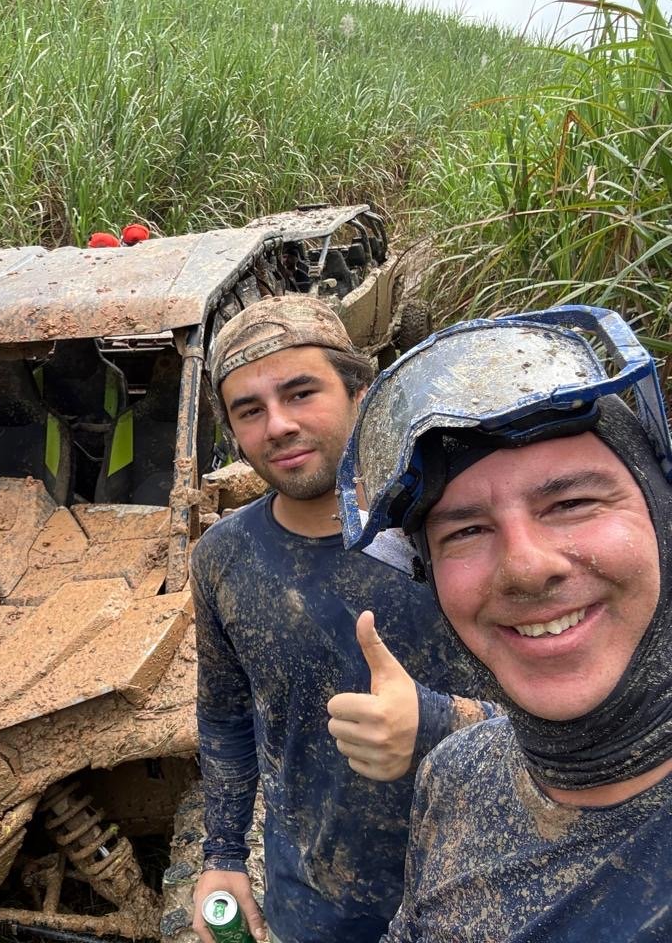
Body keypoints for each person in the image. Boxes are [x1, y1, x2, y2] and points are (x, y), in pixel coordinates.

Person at [339, 305, 671, 942]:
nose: (524, 567)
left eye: (572, 502)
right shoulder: (458, 775)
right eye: (465, 530)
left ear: (661, 515)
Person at [191, 295, 492, 943]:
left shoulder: (452, 530)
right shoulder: (222, 558)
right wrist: (222, 858)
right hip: (315, 906)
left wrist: (441, 721)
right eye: (250, 410)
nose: (277, 425)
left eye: (301, 394)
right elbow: (224, 715)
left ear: (360, 392)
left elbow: (577, 722)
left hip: (479, 893)